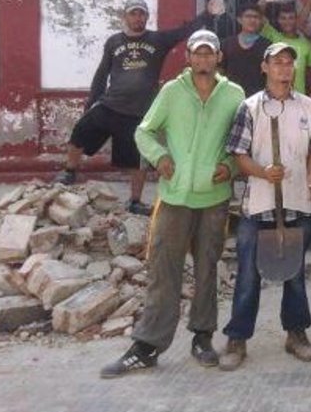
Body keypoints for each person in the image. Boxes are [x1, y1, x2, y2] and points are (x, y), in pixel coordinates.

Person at [101, 29, 244, 378]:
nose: (204, 59)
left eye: (210, 53)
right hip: (175, 197)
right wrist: (159, 156)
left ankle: (202, 337)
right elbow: (144, 132)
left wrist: (229, 166)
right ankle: (147, 345)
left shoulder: (235, 95)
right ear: (189, 58)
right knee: (164, 270)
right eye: (198, 53)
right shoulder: (171, 92)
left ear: (218, 58)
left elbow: (242, 143)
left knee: (208, 269)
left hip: (214, 200)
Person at [218, 42, 311, 370]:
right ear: (265, 67)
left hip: (297, 202)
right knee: (248, 274)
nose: (283, 68)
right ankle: (237, 338)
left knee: (294, 274)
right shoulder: (249, 108)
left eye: (288, 63)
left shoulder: (309, 107)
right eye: (277, 62)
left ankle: (296, 333)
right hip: (259, 205)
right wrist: (263, 172)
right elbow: (239, 155)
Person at [57, 0, 219, 214]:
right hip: (110, 105)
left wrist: (208, 13)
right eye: (133, 13)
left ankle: (134, 201)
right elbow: (102, 72)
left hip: (138, 112)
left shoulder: (158, 40)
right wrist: (92, 101)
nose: (137, 17)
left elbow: (184, 31)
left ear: (147, 16)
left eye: (141, 13)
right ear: (125, 16)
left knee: (137, 160)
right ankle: (70, 171)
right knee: (80, 132)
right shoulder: (113, 42)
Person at [256, 0, 311, 98]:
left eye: (291, 18)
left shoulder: (306, 43)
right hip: (275, 96)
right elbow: (257, 10)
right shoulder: (273, 36)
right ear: (278, 20)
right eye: (283, 18)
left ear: (296, 20)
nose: (287, 21)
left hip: (299, 98)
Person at [220, 4, 271, 96]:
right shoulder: (227, 44)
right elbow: (220, 71)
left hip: (258, 98)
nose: (252, 20)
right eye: (248, 16)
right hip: (231, 97)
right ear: (239, 20)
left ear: (261, 21)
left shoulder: (267, 45)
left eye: (256, 17)